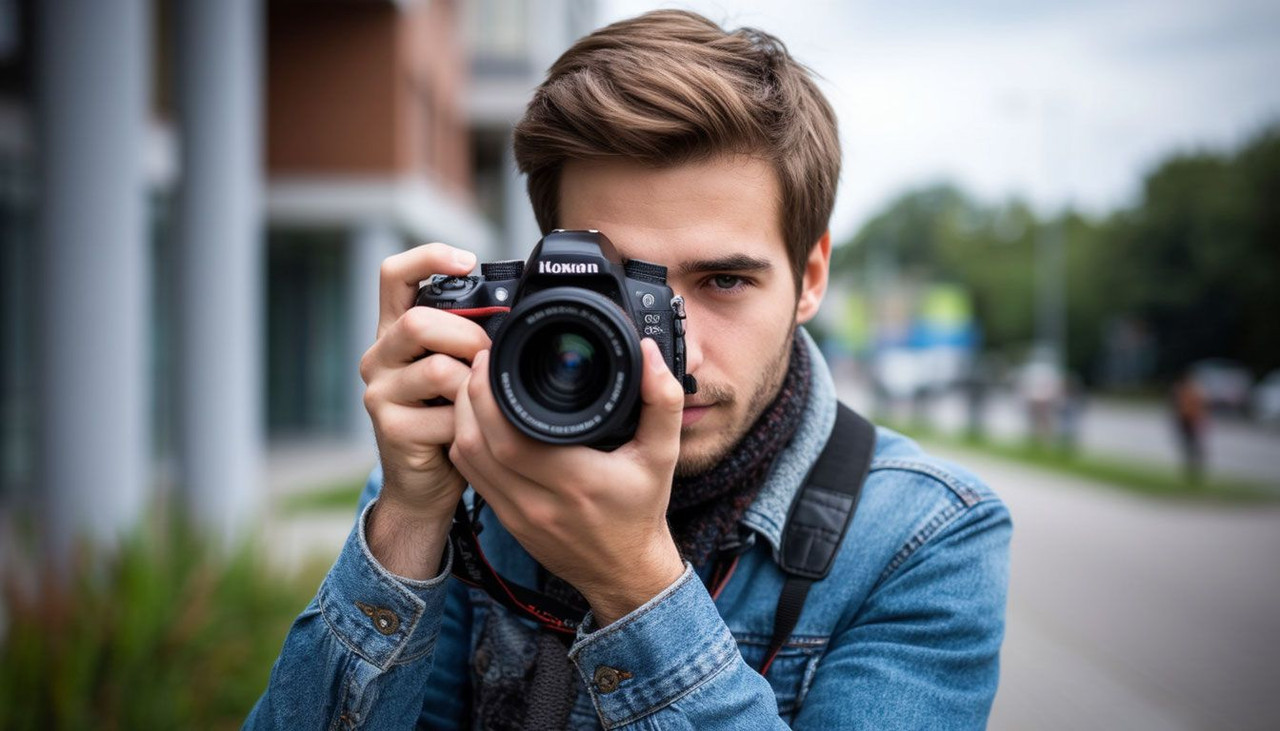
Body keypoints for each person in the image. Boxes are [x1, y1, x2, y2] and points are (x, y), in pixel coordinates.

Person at [247, 10, 1010, 730]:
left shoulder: (924, 537)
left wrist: (634, 583)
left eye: (725, 281)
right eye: (616, 291)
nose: (672, 363)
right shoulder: (459, 477)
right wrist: (410, 525)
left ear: (811, 276)